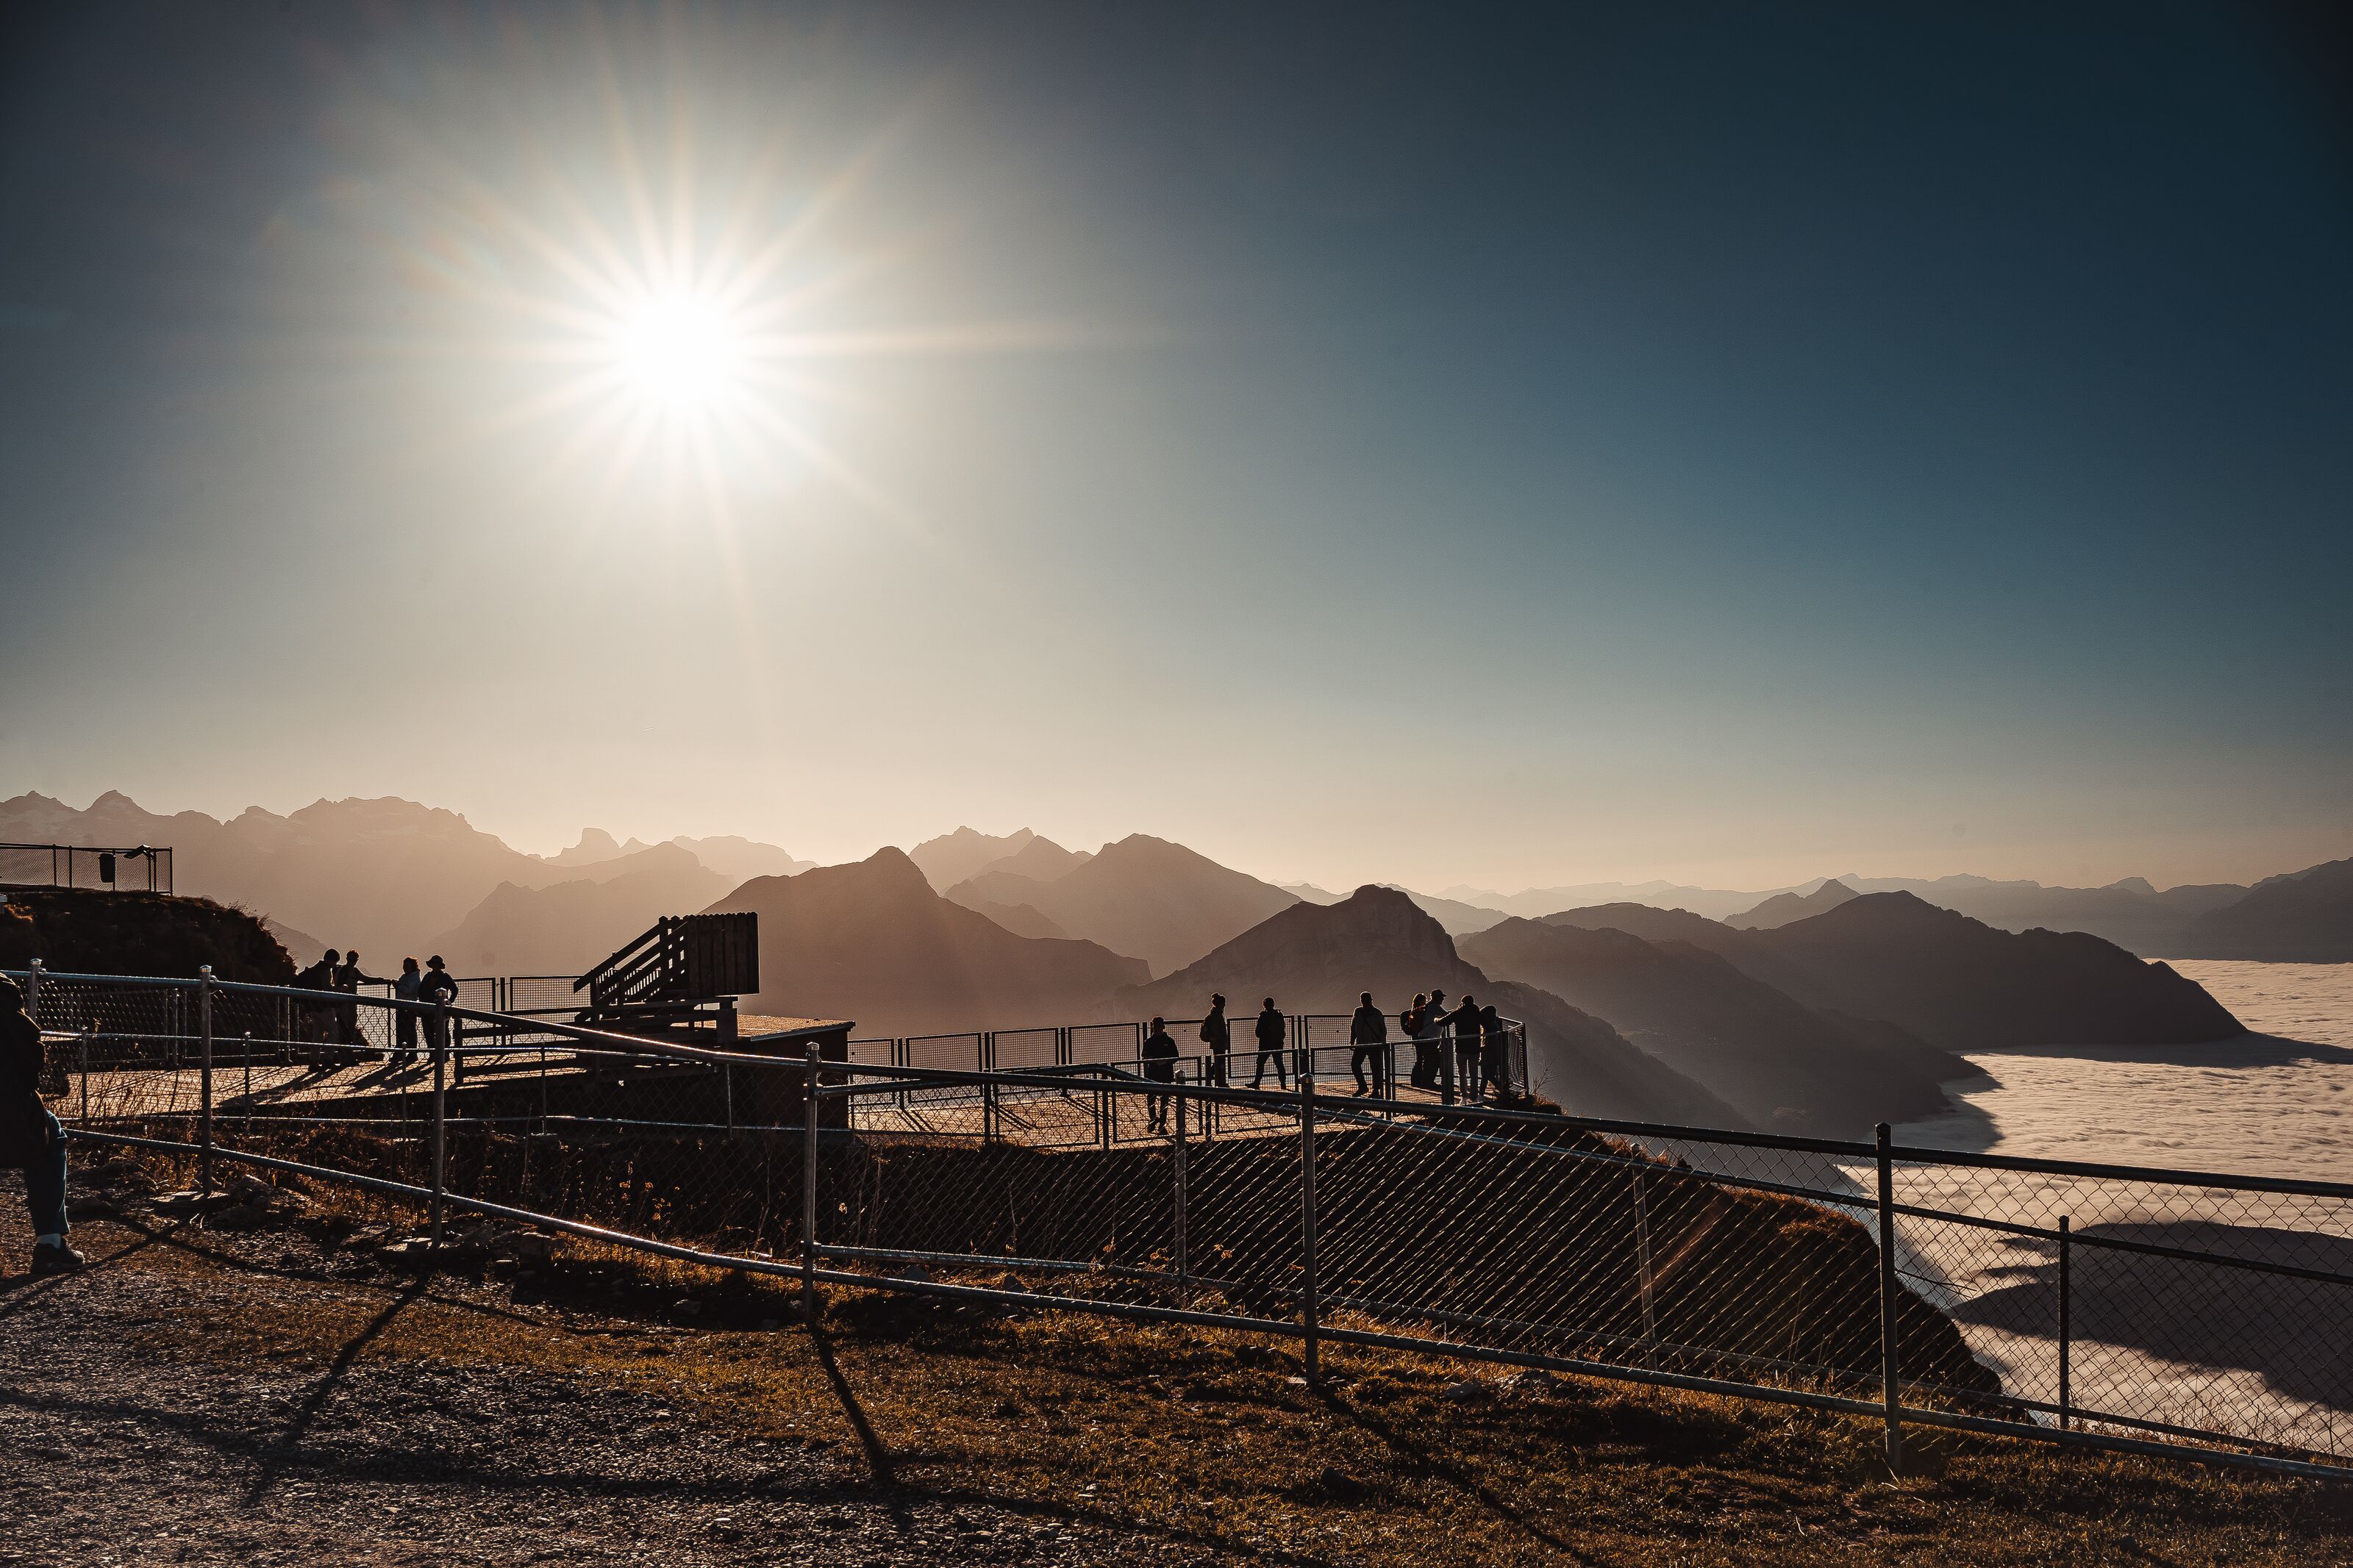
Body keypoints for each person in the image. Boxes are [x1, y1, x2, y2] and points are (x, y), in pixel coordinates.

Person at [0, 975, 79, 1276]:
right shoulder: (3, 995)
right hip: (9, 1109)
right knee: (50, 1140)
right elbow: (31, 1060)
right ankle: (50, 1243)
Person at [1140, 1016, 1179, 1133]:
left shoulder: (1169, 1041)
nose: (1157, 1028)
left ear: (1163, 1026)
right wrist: (1152, 1060)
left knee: (1164, 1100)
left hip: (1165, 1074)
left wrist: (1165, 1061)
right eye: (1155, 1026)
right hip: (1153, 1074)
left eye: (1159, 1026)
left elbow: (1175, 1056)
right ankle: (1153, 1120)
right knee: (1151, 1099)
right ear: (1153, 1027)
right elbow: (1144, 1056)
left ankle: (1162, 1125)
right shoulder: (1149, 1042)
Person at [294, 947, 339, 1043]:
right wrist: (341, 988)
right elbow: (327, 988)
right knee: (334, 1032)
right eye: (336, 962)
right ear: (332, 961)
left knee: (317, 1035)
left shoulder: (315, 969)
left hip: (313, 1006)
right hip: (324, 1007)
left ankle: (314, 1057)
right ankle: (328, 1056)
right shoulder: (326, 971)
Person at [1348, 991, 1388, 1098]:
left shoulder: (1377, 1013)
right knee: (1355, 1065)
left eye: (1366, 1000)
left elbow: (1383, 1030)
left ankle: (1375, 1090)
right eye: (1363, 1000)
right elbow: (1353, 1027)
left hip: (1374, 1045)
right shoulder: (1358, 1011)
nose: (1365, 1002)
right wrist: (1352, 1041)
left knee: (1375, 1068)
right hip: (1360, 1044)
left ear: (1370, 1000)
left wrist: (1381, 1043)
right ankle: (1363, 1086)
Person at [330, 950, 374, 1048]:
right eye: (350, 960)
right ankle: (344, 1053)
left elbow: (365, 979)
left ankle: (349, 1052)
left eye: (353, 961)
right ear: (347, 959)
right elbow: (338, 985)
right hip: (343, 1004)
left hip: (352, 1004)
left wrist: (381, 980)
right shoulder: (342, 971)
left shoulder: (355, 971)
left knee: (350, 1028)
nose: (352, 963)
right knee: (344, 1028)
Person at [419, 955, 458, 1056]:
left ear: (440, 966)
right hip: (427, 1009)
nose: (435, 966)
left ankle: (445, 1054)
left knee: (444, 1031)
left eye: (436, 964)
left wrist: (449, 1003)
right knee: (428, 1032)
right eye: (433, 964)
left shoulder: (446, 977)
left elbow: (455, 990)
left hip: (442, 1009)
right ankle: (432, 1054)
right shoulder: (427, 976)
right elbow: (420, 990)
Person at [1447, 992, 1483, 1101]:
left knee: (1462, 1072)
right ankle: (1474, 1096)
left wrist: (1435, 1020)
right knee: (1474, 1073)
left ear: (1462, 1003)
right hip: (1474, 1049)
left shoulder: (1458, 1013)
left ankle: (1464, 1095)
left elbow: (1443, 1022)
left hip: (1461, 1048)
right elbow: (1486, 1021)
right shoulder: (1477, 1013)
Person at [1249, 997, 1288, 1089]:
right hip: (1278, 1043)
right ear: (1273, 1004)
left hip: (1265, 1044)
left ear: (1264, 1005)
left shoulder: (1263, 1016)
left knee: (1260, 1063)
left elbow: (1258, 1033)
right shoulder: (1279, 1014)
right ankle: (1283, 1083)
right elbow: (1283, 1030)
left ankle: (1257, 1083)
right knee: (1279, 1063)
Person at [391, 956, 424, 1062]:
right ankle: (401, 1053)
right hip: (401, 1007)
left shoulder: (414, 978)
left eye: (406, 965)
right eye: (404, 965)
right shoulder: (405, 977)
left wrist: (398, 986)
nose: (404, 968)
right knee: (401, 1031)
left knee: (410, 1031)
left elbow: (408, 990)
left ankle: (412, 1053)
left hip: (409, 1008)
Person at [1418, 989, 1450, 1093]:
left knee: (1431, 1060)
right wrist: (1460, 1010)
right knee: (1432, 1060)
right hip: (1429, 1038)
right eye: (1441, 997)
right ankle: (1428, 1082)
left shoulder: (1430, 1006)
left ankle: (1427, 1081)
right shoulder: (1434, 1006)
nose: (1443, 999)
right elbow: (1447, 1015)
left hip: (1429, 1038)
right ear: (1436, 997)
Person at [1198, 993, 1231, 1088]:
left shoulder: (1215, 1014)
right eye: (1224, 1003)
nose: (1225, 1005)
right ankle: (1217, 1082)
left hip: (1217, 1043)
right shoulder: (1217, 1015)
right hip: (1219, 1043)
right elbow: (1215, 1030)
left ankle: (1216, 1081)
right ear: (1220, 1004)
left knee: (1219, 1062)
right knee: (1219, 1063)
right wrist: (1221, 1039)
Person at [1479, 1002, 1509, 1100]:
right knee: (1486, 1076)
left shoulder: (1491, 1027)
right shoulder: (1493, 1026)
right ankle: (1482, 1095)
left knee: (1488, 1076)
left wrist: (1479, 1050)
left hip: (1489, 1056)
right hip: (1490, 1056)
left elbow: (1490, 1044)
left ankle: (1503, 1091)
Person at [1402, 992, 1432, 1090]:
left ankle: (1416, 1080)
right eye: (1423, 1001)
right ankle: (1419, 1080)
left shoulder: (1410, 1012)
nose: (1424, 1003)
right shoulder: (1422, 1012)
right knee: (1422, 1059)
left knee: (1420, 1058)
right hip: (1422, 1037)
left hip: (1416, 1038)